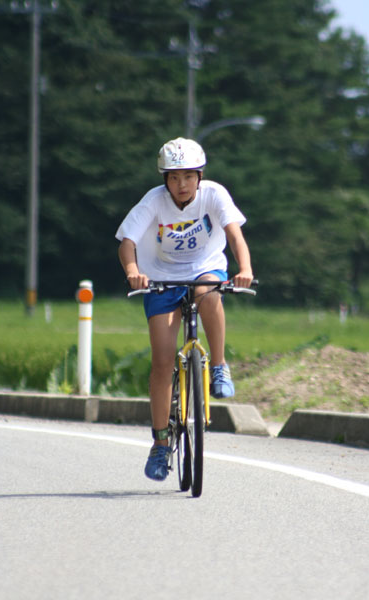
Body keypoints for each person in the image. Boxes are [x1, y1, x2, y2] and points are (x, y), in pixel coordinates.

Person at [116, 137, 253, 482]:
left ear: (200, 176)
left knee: (208, 291)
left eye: (189, 176)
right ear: (165, 179)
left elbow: (234, 235)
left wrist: (245, 268)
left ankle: (219, 366)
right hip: (161, 278)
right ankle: (161, 444)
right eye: (174, 177)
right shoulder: (154, 201)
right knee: (162, 362)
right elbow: (127, 243)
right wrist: (133, 272)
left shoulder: (214, 195)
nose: (182, 184)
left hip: (204, 268)